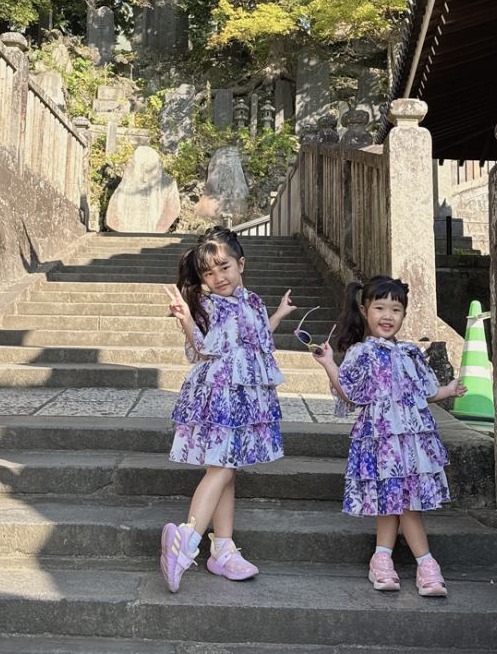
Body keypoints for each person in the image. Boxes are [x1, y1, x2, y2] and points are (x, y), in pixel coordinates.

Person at [312, 275, 467, 597]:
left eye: (395, 309)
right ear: (365, 309)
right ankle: (421, 563)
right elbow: (351, 395)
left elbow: (424, 392)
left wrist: (449, 390)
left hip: (412, 441)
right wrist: (329, 364)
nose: (387, 315)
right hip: (381, 441)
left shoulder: (410, 353)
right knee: (395, 501)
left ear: (404, 315)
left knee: (403, 501)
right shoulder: (361, 354)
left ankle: (385, 559)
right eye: (380, 307)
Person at [160, 226, 296, 592]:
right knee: (221, 467)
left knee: (228, 468)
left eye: (224, 267)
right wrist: (186, 319)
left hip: (248, 394)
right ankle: (187, 539)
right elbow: (203, 349)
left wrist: (280, 315)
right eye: (209, 272)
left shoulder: (252, 301)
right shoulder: (205, 304)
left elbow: (257, 341)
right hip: (220, 391)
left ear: (241, 264)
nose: (218, 277)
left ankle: (222, 549)